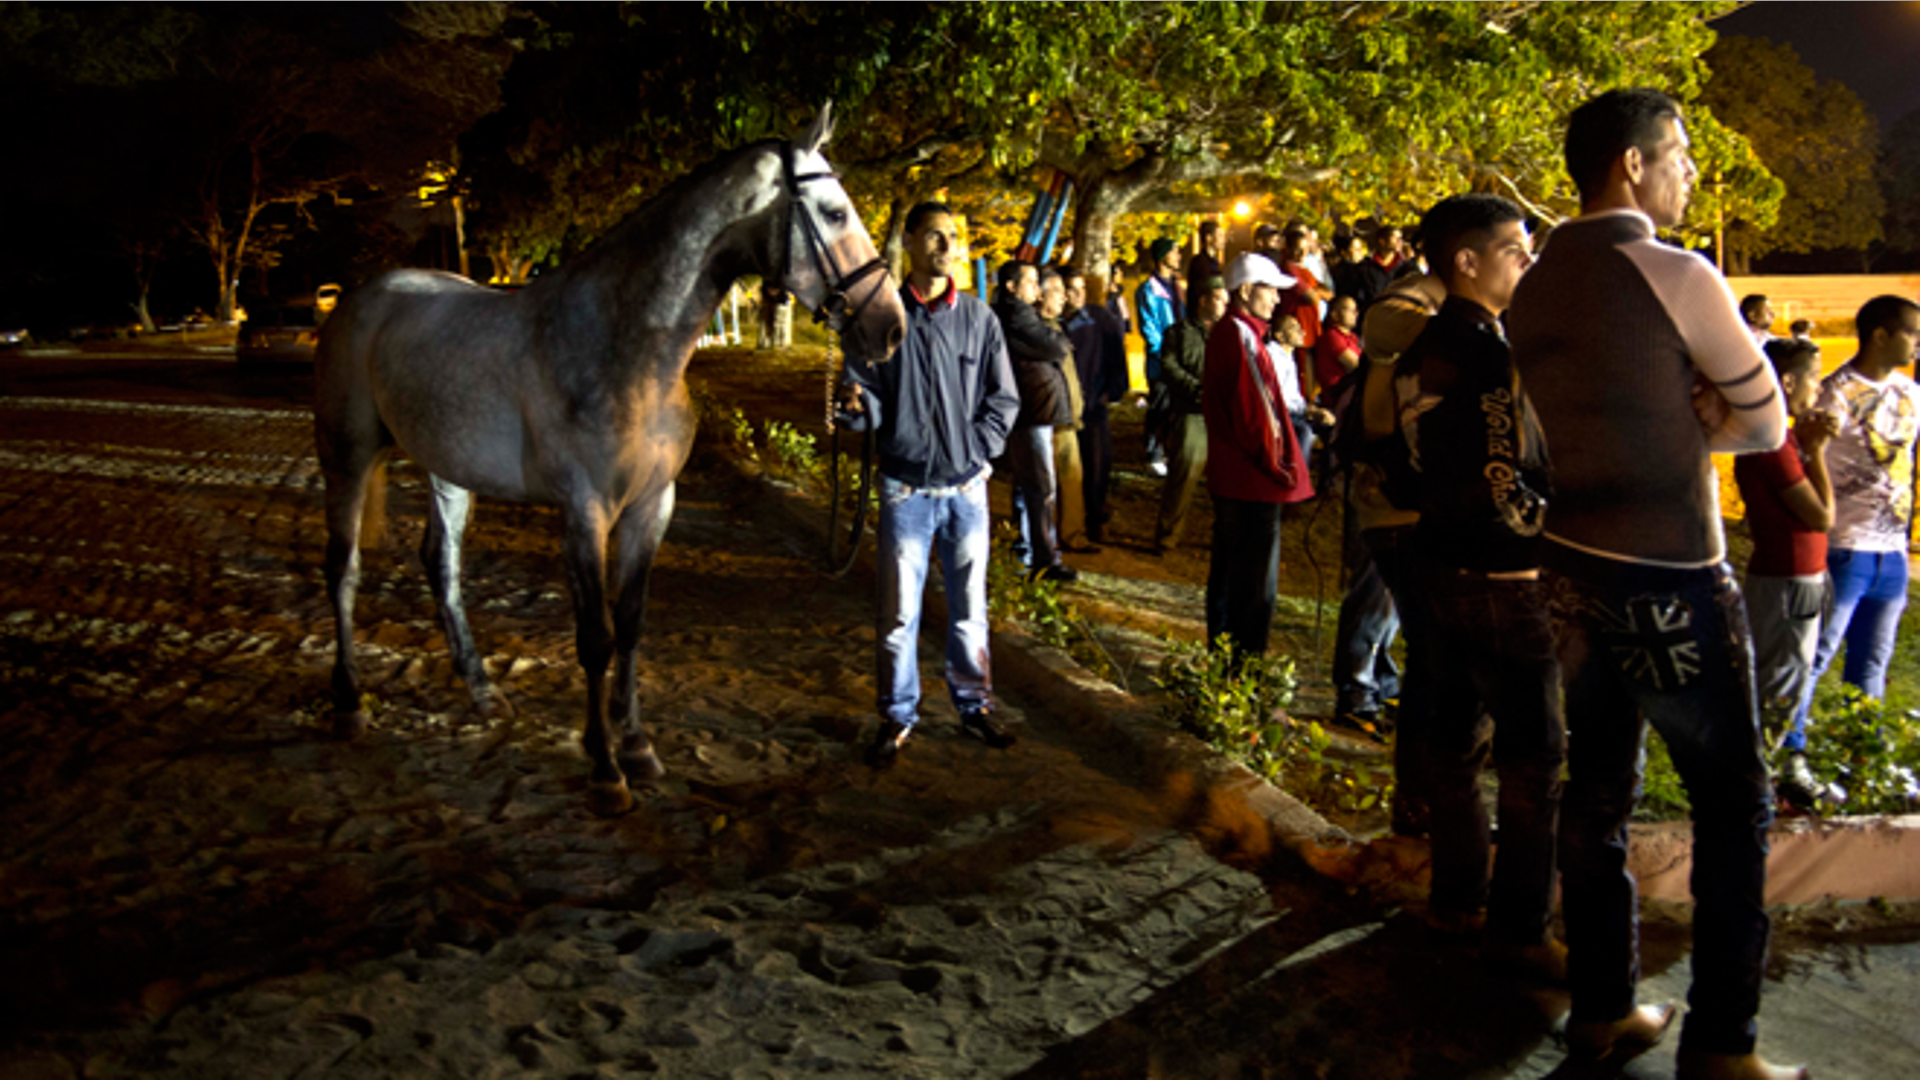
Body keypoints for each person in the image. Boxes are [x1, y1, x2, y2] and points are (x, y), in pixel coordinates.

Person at [1508, 88, 1800, 1080]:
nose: (1687, 173)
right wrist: (1694, 422)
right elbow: (1765, 424)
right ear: (1632, 165)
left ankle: (1602, 1009)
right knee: (1733, 806)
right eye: (1677, 154)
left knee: (1596, 791)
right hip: (1674, 570)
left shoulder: (1534, 285)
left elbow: (1540, 435)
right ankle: (1724, 1042)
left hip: (1572, 563)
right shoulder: (1676, 271)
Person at [1395, 192, 1565, 980]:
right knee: (1535, 761)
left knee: (1454, 748)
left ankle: (1457, 901)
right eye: (1514, 249)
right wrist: (1535, 546)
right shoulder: (1488, 354)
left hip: (1434, 565)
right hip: (1498, 577)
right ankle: (1520, 928)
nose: (1527, 263)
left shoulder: (1421, 347)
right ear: (1466, 260)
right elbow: (1502, 475)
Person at [840, 201, 1022, 770]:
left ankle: (974, 705)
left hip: (967, 491)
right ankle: (897, 716)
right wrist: (854, 408)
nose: (947, 247)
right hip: (906, 491)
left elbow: (1003, 398)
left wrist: (977, 449)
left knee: (970, 607)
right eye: (936, 236)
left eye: (954, 238)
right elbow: (864, 399)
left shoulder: (979, 318)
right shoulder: (880, 317)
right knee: (899, 615)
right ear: (911, 242)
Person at [1785, 295, 1920, 783]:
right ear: (1881, 335)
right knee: (1815, 656)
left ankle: (1862, 759)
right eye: (1912, 333)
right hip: (1844, 548)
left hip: (1892, 552)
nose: (1918, 343)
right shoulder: (1834, 393)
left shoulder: (1910, 391)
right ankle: (1791, 755)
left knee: (1872, 663)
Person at [1733, 337, 1839, 806]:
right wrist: (1816, 452)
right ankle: (1762, 785)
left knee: (1785, 677)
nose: (1817, 388)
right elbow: (1820, 516)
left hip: (1798, 574)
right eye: (1814, 377)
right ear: (1788, 380)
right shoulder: (1772, 441)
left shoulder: (1780, 435)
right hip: (1787, 577)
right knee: (1778, 683)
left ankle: (1770, 778)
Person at [1203, 254, 1315, 662]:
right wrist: (1282, 467)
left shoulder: (1237, 333)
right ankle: (1244, 669)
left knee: (1233, 575)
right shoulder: (1239, 335)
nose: (1276, 300)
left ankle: (1227, 665)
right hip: (1251, 480)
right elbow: (1256, 414)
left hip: (1239, 475)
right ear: (1246, 291)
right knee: (1251, 584)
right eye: (1269, 290)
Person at [994, 260, 1080, 583]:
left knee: (1027, 485)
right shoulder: (1018, 315)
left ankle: (1027, 550)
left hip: (1031, 410)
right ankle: (1044, 559)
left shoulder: (1017, 314)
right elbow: (1056, 344)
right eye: (1030, 282)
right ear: (1011, 287)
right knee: (1041, 487)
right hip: (1032, 411)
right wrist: (1052, 340)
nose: (1037, 288)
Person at [1153, 273, 1230, 554]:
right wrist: (1198, 390)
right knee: (1184, 474)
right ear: (1203, 300)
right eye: (1219, 299)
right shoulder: (1179, 333)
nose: (1224, 305)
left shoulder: (1229, 334)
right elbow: (1170, 367)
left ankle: (1222, 538)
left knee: (1227, 483)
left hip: (1223, 415)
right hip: (1192, 413)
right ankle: (1168, 536)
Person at [1063, 268, 1129, 545]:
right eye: (1070, 288)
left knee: (1097, 465)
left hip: (1093, 403)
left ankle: (1095, 519)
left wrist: (1113, 390)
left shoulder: (1100, 318)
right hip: (1065, 406)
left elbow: (1117, 353)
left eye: (1081, 287)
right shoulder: (1056, 321)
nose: (1077, 294)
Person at [1038, 268, 1092, 553]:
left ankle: (1070, 531)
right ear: (1040, 293)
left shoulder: (1055, 327)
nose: (1064, 297)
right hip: (1052, 416)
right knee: (1057, 479)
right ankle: (1061, 536)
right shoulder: (1038, 329)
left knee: (1071, 476)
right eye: (1058, 291)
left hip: (1066, 415)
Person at [1137, 239, 1185, 476]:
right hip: (1161, 359)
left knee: (1175, 406)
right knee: (1160, 404)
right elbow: (1149, 328)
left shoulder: (1177, 287)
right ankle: (1154, 453)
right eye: (1173, 251)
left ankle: (1170, 450)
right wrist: (1164, 352)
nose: (1178, 255)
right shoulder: (1148, 290)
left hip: (1179, 356)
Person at [1278, 224, 1331, 400]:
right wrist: (1318, 292)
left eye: (1305, 250)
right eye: (1297, 250)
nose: (1301, 254)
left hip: (1311, 326)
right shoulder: (1289, 270)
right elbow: (1311, 296)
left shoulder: (1305, 270)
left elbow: (1328, 293)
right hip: (1297, 326)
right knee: (1301, 373)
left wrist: (1318, 291)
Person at [1314, 294, 1363, 406]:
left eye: (1355, 310)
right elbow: (1355, 365)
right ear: (1334, 315)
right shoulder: (1332, 337)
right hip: (1339, 395)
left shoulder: (1353, 337)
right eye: (1350, 310)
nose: (1355, 313)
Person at [1186, 219, 1224, 298]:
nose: (1223, 240)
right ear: (1208, 237)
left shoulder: (1215, 262)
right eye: (1220, 236)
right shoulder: (1199, 263)